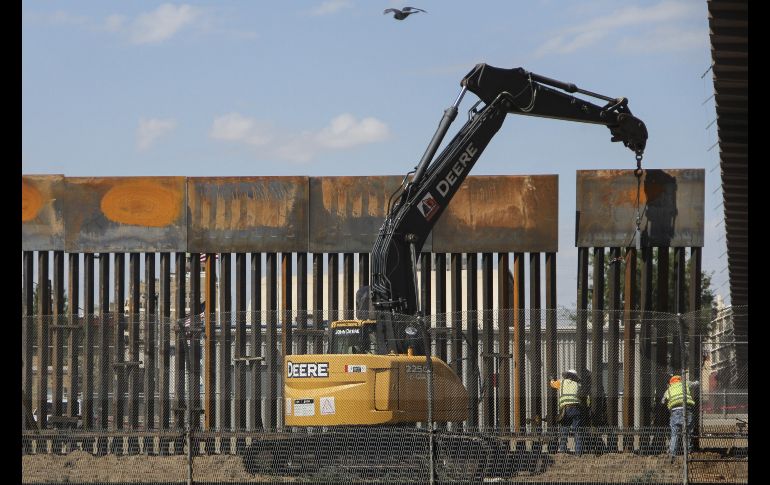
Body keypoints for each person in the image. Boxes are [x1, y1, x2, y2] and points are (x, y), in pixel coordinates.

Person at [550, 369, 588, 455]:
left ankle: (563, 451)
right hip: (576, 409)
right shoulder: (578, 384)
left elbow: (552, 385)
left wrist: (551, 379)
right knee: (577, 431)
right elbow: (581, 395)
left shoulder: (561, 382)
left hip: (565, 409)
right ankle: (578, 453)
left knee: (564, 429)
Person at [662, 374, 697, 462]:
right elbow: (695, 384)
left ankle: (672, 454)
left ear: (671, 383)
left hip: (675, 412)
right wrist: (697, 381)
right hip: (687, 410)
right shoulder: (685, 384)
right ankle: (688, 453)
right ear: (680, 380)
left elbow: (663, 401)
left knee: (674, 434)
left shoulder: (668, 390)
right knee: (688, 432)